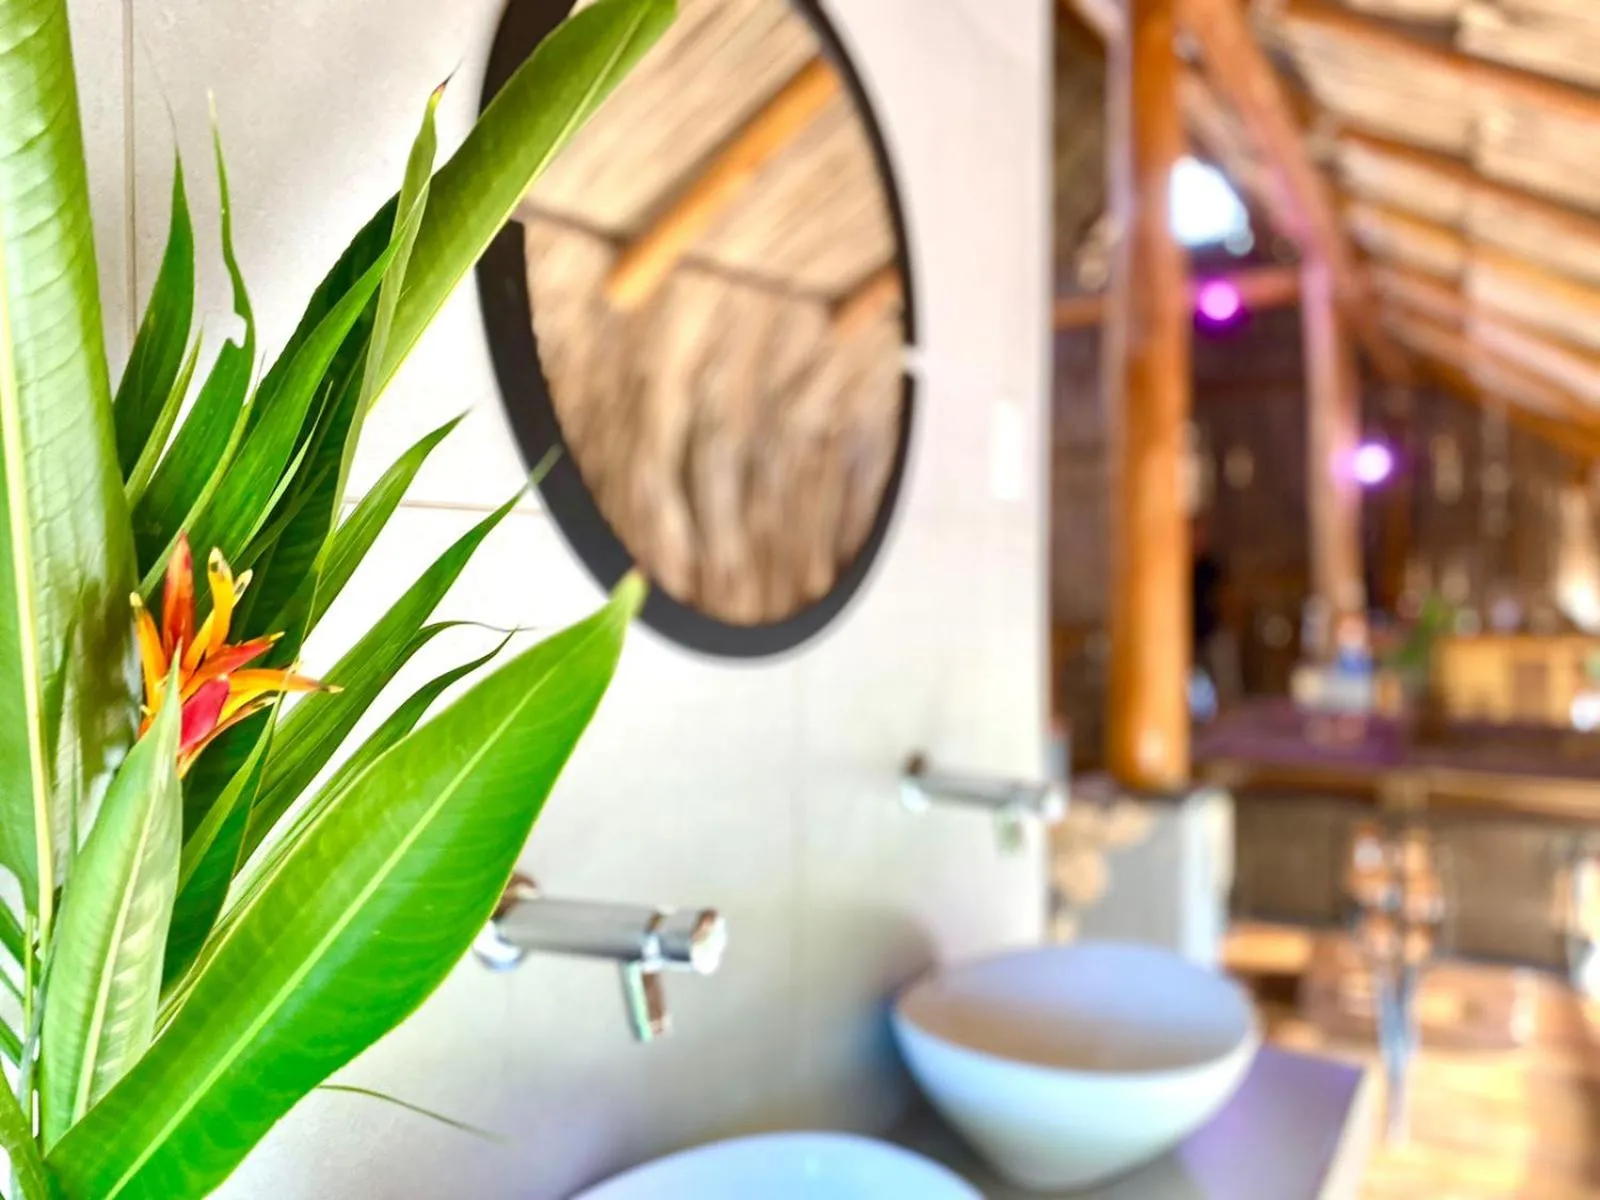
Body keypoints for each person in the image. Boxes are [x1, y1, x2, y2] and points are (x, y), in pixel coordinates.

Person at [1191, 517, 1242, 713]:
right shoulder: (1179, 568)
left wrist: (1229, 622)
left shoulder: (1212, 566)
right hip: (1188, 634)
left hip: (1213, 630)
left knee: (1224, 680)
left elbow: (1226, 596)